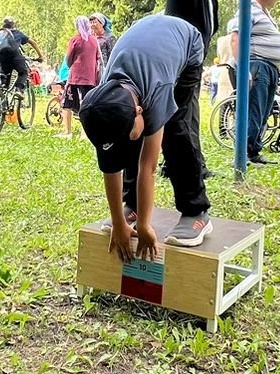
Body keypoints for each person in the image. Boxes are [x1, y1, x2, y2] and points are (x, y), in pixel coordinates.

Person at [79, 14, 213, 255]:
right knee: (130, 138)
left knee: (175, 129)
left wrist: (143, 226)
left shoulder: (157, 89)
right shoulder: (101, 107)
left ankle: (197, 212)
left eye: (132, 130)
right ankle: (133, 205)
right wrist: (119, 221)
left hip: (186, 42)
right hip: (146, 40)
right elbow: (110, 168)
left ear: (139, 110)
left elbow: (148, 167)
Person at [225, 0, 280, 166]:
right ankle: (243, 154)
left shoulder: (264, 13)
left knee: (263, 111)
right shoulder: (249, 10)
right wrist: (243, 68)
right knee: (254, 110)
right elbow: (235, 37)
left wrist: (277, 64)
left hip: (268, 67)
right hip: (256, 66)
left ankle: (253, 151)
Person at [60, 14, 99, 139]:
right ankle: (84, 133)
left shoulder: (75, 40)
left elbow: (68, 59)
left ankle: (67, 131)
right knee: (86, 104)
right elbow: (97, 57)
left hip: (76, 77)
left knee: (67, 104)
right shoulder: (94, 40)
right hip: (90, 78)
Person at [0, 16, 43, 92]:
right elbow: (33, 43)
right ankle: (18, 89)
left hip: (2, 58)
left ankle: (3, 95)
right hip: (14, 56)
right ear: (13, 25)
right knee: (23, 72)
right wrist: (40, 56)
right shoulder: (17, 33)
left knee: (5, 76)